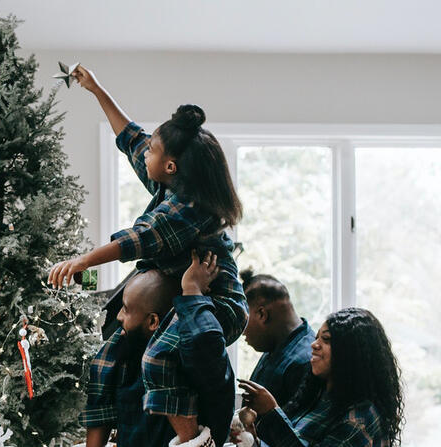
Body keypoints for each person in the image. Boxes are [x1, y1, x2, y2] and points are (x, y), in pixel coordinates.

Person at [48, 64, 246, 443]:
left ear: (170, 165)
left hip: (217, 305)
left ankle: (193, 440)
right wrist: (96, 89)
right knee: (106, 356)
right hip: (180, 291)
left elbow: (138, 238)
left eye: (155, 150)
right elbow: (132, 138)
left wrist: (83, 261)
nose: (147, 153)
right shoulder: (170, 177)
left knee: (157, 358)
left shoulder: (189, 208)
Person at [83, 254, 226, 447]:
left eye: (125, 308)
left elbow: (205, 337)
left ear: (152, 321)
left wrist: (192, 292)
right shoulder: (123, 358)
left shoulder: (188, 364)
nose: (118, 316)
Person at [238, 308, 404, 447]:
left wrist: (272, 412)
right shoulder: (319, 396)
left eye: (326, 339)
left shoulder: (358, 420)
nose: (314, 344)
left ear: (351, 353)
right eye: (317, 337)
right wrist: (254, 441)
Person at [240, 269, 315, 406]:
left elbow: (290, 426)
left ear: (262, 314)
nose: (241, 331)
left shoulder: (306, 362)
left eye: (242, 320)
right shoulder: (274, 346)